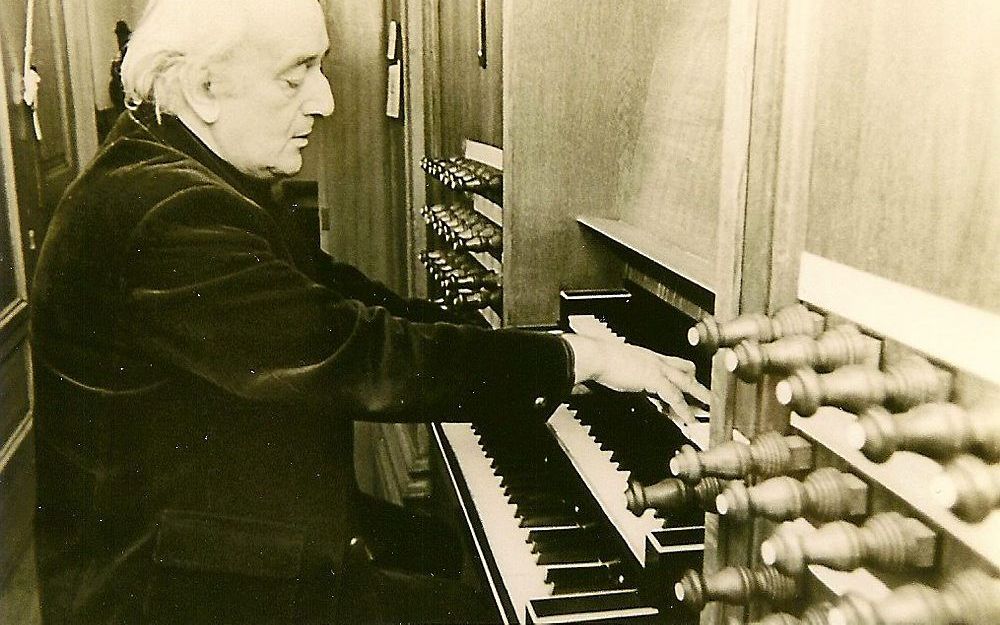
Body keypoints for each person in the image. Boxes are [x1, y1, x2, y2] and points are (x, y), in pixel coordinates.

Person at [29, 0, 711, 623]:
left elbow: (351, 302)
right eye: (297, 75)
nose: (323, 100)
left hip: (207, 537)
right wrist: (577, 356)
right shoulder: (166, 213)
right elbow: (358, 352)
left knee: (446, 553)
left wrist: (552, 348)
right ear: (205, 89)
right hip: (163, 592)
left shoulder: (173, 174)